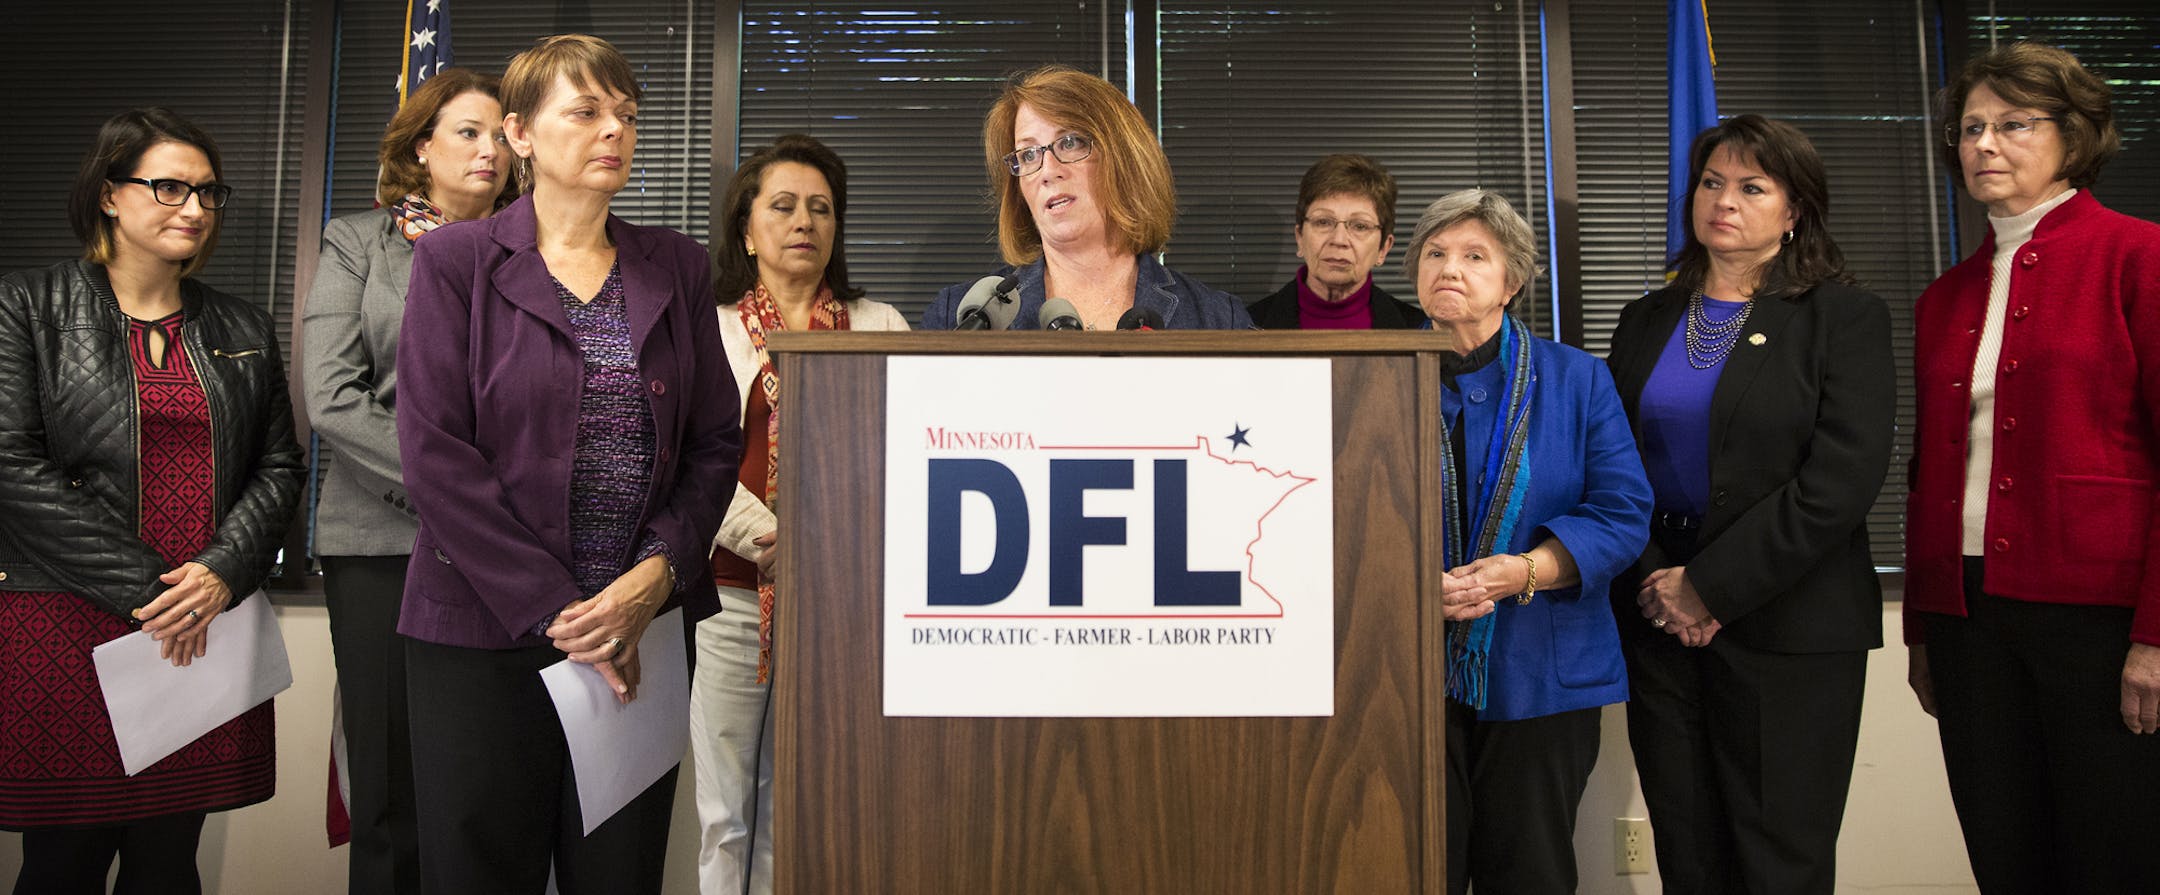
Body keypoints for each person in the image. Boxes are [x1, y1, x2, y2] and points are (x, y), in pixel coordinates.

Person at [393, 34, 742, 895]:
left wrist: (651, 582)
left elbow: (713, 445)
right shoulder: (455, 261)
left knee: (618, 876)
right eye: (585, 112)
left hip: (640, 629)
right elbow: (435, 452)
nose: (613, 130)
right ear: (518, 133)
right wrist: (563, 610)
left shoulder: (679, 265)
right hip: (481, 630)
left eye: (625, 114)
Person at [0, 108, 303, 893]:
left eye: (208, 192)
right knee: (61, 865)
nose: (195, 209)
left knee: (169, 865)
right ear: (108, 193)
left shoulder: (241, 323)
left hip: (204, 625)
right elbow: (9, 464)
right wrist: (156, 593)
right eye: (170, 187)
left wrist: (220, 574)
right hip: (70, 626)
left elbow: (278, 467)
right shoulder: (26, 308)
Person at [1604, 114, 1893, 894]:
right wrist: (1665, 581)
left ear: (1794, 210)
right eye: (1711, 182)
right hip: (1659, 620)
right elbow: (1612, 467)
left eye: (1752, 187)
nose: (1723, 200)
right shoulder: (1644, 320)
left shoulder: (1843, 318)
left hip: (1789, 628)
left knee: (1778, 860)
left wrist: (1710, 585)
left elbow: (1840, 480)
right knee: (1688, 851)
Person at [1906, 41, 2160, 893]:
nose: (1983, 143)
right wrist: (1922, 627)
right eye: (1971, 127)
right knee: (2003, 851)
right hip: (1968, 616)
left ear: (2075, 135)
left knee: (2112, 852)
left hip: (2100, 618)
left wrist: (2158, 634)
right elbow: (1928, 470)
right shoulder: (1944, 296)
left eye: (2014, 123)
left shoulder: (2139, 257)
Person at [299, 67, 512, 895]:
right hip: (385, 542)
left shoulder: (530, 250)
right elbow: (332, 395)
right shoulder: (359, 243)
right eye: (467, 131)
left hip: (506, 551)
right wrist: (453, 486)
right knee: (389, 787)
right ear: (421, 147)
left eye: (500, 133)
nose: (489, 149)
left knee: (486, 781)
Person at [691, 133, 908, 895]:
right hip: (729, 600)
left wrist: (823, 549)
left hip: (839, 606)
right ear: (746, 230)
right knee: (725, 811)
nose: (803, 221)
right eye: (782, 206)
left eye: (821, 208)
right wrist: (774, 541)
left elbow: (908, 452)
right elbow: (693, 459)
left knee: (798, 803)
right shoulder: (708, 328)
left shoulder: (879, 324)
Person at [1418, 188, 1651, 895]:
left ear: (1512, 281)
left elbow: (1623, 511)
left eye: (1473, 255)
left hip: (1543, 669)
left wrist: (1521, 569)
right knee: (1414, 866)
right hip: (1409, 672)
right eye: (1433, 253)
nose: (1448, 268)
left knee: (1531, 870)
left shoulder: (1577, 378)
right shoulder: (1381, 371)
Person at [922, 65, 1252, 331]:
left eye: (1070, 142)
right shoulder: (964, 318)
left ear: (1125, 159)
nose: (1047, 170)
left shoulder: (1218, 319)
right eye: (1028, 154)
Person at [1246, 153, 1422, 329]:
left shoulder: (1417, 329)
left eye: (1360, 226)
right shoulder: (1247, 324)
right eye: (1323, 222)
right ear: (1300, 237)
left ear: (1383, 248)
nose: (1339, 240)